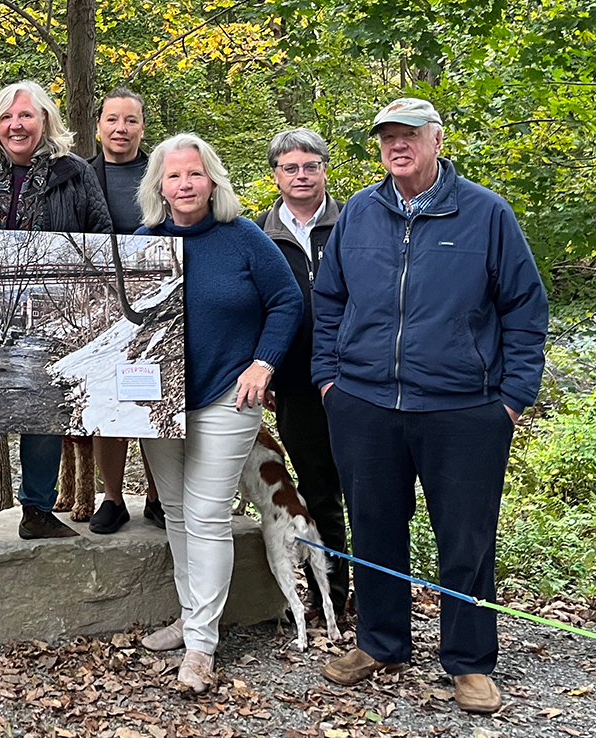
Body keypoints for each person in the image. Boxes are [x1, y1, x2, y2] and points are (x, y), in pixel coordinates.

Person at [313, 98, 548, 713]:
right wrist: (329, 382)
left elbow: (525, 309)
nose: (398, 145)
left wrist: (513, 397)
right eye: (387, 136)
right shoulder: (358, 213)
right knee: (374, 527)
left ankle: (469, 662)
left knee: (466, 538)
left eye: (410, 135)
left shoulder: (486, 214)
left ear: (436, 140)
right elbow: (329, 301)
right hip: (364, 402)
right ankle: (381, 641)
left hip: (464, 409)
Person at [134, 133, 302, 692]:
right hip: (161, 402)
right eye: (174, 175)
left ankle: (202, 644)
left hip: (228, 398)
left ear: (213, 181)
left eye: (195, 174)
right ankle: (191, 615)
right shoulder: (144, 242)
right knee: (178, 514)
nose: (185, 184)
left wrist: (264, 363)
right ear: (160, 184)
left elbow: (287, 301)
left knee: (207, 517)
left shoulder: (244, 238)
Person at [0, 80, 113, 554]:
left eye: (27, 116)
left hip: (54, 308)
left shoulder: (75, 172)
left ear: (45, 122)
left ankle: (38, 510)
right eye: (8, 117)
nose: (16, 125)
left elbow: (99, 234)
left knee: (45, 409)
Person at [254, 127, 349, 617]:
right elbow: (255, 308)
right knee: (316, 490)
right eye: (290, 167)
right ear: (275, 175)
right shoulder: (258, 233)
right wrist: (264, 371)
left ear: (324, 169)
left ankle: (376, 596)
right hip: (293, 383)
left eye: (310, 166)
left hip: (355, 381)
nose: (301, 175)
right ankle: (328, 596)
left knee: (366, 490)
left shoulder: (353, 222)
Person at [85, 87, 163, 535]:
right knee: (107, 404)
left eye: (130, 120)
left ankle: (157, 496)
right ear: (98, 127)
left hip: (159, 298)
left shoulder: (162, 172)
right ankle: (112, 499)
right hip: (99, 299)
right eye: (112, 119)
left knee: (151, 399)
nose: (121, 128)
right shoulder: (80, 174)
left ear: (142, 127)